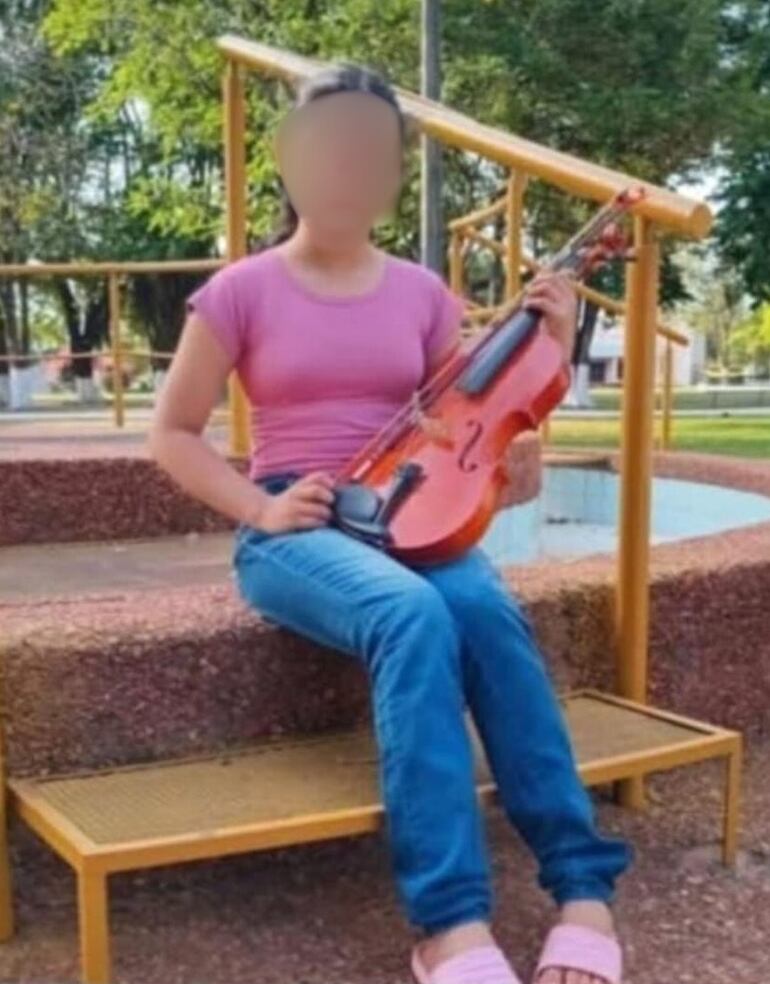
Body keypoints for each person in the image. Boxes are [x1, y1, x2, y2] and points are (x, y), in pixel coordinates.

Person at [148, 62, 633, 984]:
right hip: (295, 522)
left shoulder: (423, 293)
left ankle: (582, 885)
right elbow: (170, 434)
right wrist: (262, 507)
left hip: (409, 512)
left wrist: (548, 352)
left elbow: (464, 419)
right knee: (410, 615)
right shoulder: (240, 291)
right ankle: (450, 921)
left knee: (485, 611)